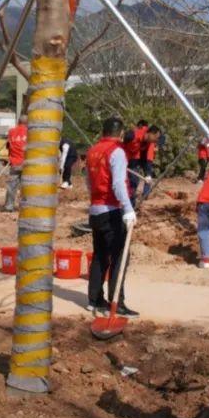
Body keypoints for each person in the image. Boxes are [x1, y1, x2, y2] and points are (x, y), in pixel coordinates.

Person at [85, 116, 138, 318]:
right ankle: (117, 303)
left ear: (103, 131)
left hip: (95, 210)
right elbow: (118, 184)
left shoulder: (92, 150)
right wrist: (128, 209)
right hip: (111, 210)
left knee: (100, 255)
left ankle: (95, 300)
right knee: (119, 257)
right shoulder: (117, 151)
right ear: (121, 133)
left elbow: (88, 182)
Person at [2, 115, 28, 212]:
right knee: (26, 187)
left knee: (11, 186)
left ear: (18, 122)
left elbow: (8, 146)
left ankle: (8, 206)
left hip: (14, 163)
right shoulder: (30, 132)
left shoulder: (11, 131)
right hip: (27, 163)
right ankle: (25, 207)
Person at [124, 119, 149, 201]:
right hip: (130, 159)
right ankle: (130, 201)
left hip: (134, 159)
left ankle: (131, 200)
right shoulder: (135, 133)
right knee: (132, 181)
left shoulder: (139, 133)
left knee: (133, 181)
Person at [139, 125, 161, 200]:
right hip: (147, 158)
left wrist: (157, 147)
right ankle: (145, 194)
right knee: (148, 175)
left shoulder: (152, 139)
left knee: (148, 176)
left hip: (147, 157)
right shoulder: (148, 137)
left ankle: (145, 194)